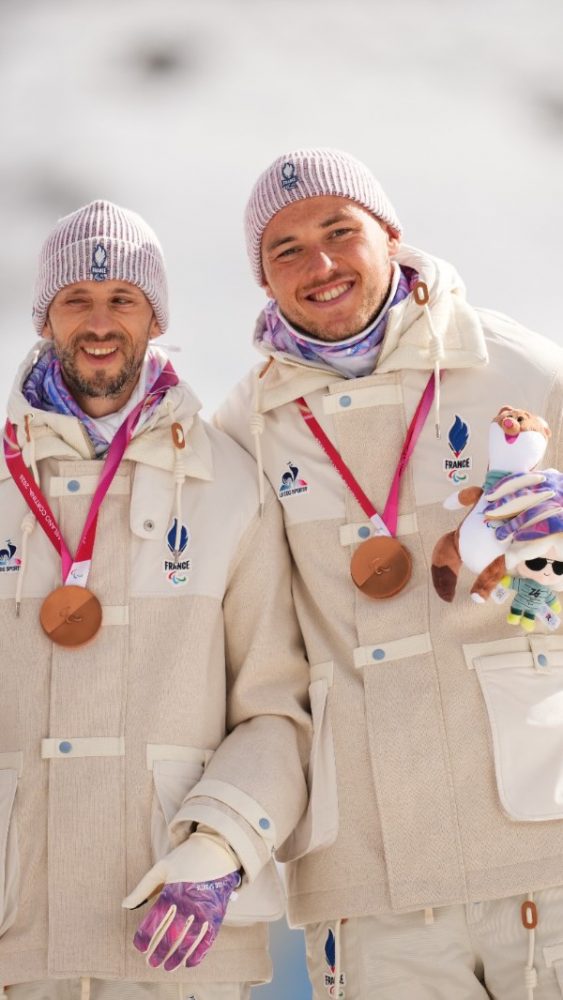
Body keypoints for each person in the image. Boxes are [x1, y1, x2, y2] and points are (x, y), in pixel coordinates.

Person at [215, 148, 563, 999]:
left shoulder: (521, 372)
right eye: (285, 248)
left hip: (542, 845)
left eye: (340, 232)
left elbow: (551, 598)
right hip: (369, 878)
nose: (319, 264)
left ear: (392, 237)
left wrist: (533, 574)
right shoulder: (243, 429)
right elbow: (244, 650)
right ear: (262, 280)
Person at [0, 200, 311, 999]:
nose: (100, 323)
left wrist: (222, 844)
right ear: (46, 318)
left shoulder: (229, 483)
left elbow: (277, 706)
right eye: (76, 300)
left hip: (172, 941)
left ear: (155, 317)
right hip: (15, 934)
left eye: (123, 300)